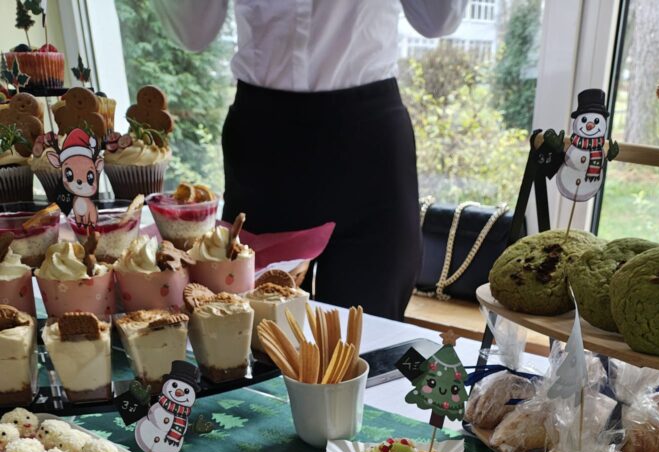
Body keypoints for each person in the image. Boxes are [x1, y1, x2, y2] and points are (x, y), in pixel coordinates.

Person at [155, 0, 468, 320]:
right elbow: (193, 30)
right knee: (254, 330)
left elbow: (438, 19)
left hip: (370, 146)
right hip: (265, 147)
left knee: (368, 332)